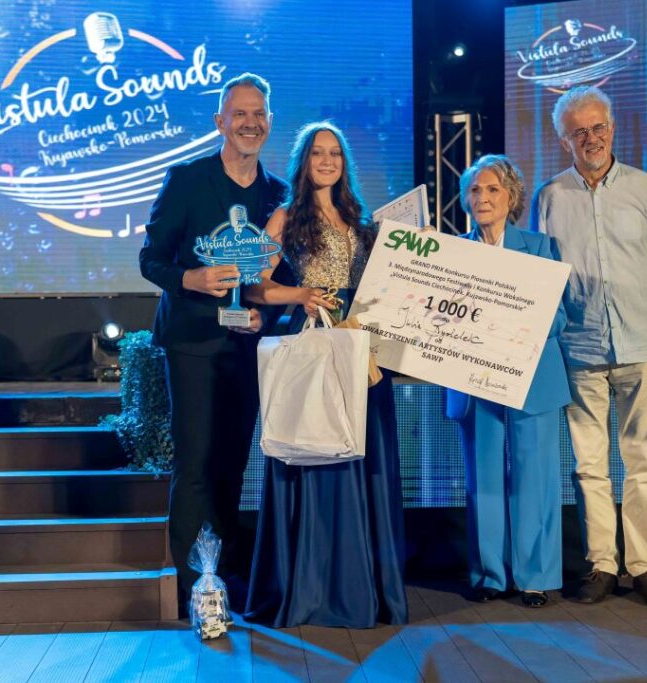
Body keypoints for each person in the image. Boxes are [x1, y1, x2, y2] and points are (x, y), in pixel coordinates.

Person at [242, 122, 408, 628]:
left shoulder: (361, 220)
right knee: (315, 448)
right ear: (304, 161)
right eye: (319, 152)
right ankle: (313, 588)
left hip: (361, 347)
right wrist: (302, 294)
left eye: (336, 153)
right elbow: (253, 287)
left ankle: (368, 588)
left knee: (364, 452)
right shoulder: (285, 216)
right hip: (314, 338)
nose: (328, 160)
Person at [138, 73, 288, 612]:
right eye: (240, 113)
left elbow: (280, 276)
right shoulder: (186, 179)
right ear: (219, 121)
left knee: (233, 463)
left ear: (269, 122)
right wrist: (191, 280)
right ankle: (190, 589)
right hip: (194, 342)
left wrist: (263, 319)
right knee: (195, 462)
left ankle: (225, 578)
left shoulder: (278, 194)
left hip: (247, 347)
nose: (250, 123)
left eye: (259, 114)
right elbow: (149, 259)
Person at [529, 86, 647, 608]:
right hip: (581, 346)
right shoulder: (549, 197)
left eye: (599, 127)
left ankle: (645, 569)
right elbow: (542, 275)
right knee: (590, 465)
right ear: (562, 138)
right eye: (579, 131)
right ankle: (602, 566)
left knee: (644, 462)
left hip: (642, 341)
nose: (591, 138)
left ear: (613, 127)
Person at [444, 155, 570, 608]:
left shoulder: (539, 247)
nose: (483, 197)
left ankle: (534, 578)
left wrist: (514, 331)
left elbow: (558, 316)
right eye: (475, 190)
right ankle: (491, 575)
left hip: (531, 377)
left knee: (535, 479)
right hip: (475, 379)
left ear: (512, 197)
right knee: (485, 480)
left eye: (492, 189)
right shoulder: (452, 252)